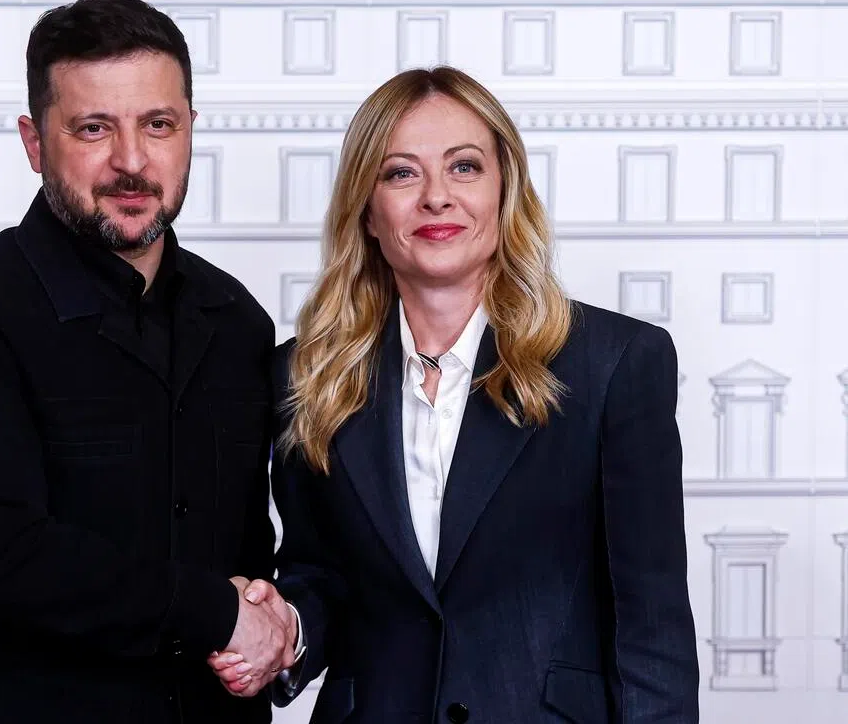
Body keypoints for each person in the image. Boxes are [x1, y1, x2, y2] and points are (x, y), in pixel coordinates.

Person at [211, 66, 700, 722]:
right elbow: (323, 575)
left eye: (465, 167)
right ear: (368, 210)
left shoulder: (615, 364)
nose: (436, 197)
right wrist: (289, 624)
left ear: (505, 191)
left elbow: (653, 625)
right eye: (401, 173)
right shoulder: (305, 377)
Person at [0, 0, 295, 724]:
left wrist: (266, 615)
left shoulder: (237, 320)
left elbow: (246, 547)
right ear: (34, 142)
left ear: (190, 132)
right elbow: (1, 555)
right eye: (92, 128)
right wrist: (216, 611)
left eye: (158, 125)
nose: (132, 161)